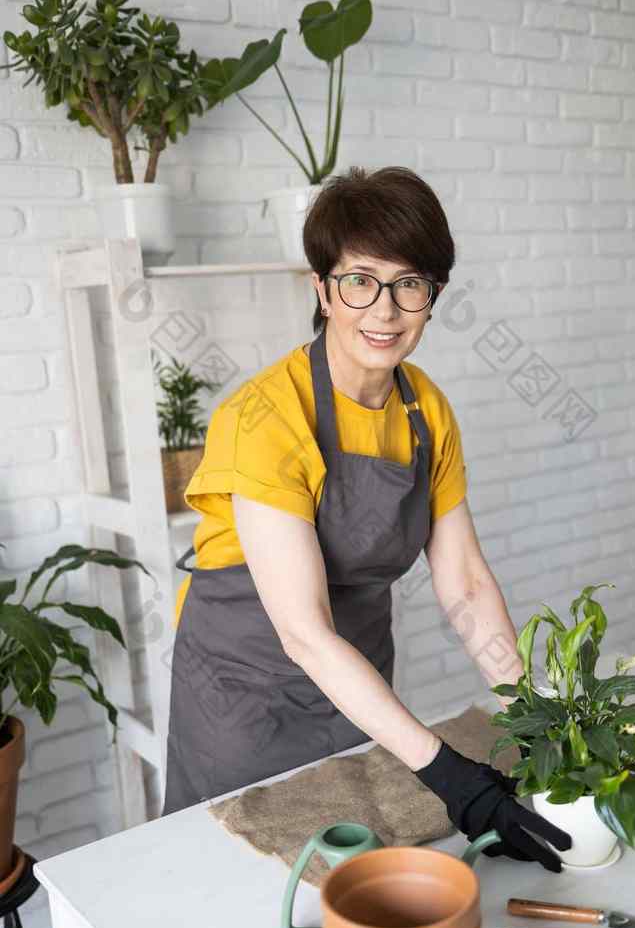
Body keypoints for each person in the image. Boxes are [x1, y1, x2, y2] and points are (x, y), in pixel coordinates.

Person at [161, 165, 572, 872]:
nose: (384, 310)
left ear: (432, 297)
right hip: (245, 702)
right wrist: (447, 772)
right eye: (360, 280)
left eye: (410, 283)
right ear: (321, 289)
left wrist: (532, 715)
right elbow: (303, 631)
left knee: (356, 884)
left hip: (358, 695)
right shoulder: (265, 416)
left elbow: (466, 587)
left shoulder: (426, 411)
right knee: (247, 894)